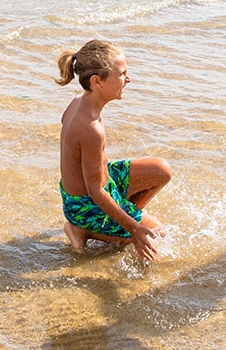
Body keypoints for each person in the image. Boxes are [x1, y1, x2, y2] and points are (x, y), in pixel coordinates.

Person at [55, 39, 173, 263]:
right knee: (159, 239)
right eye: (122, 74)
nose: (128, 79)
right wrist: (135, 228)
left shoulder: (78, 103)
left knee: (162, 170)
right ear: (97, 81)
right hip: (84, 206)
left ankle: (119, 219)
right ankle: (82, 229)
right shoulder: (91, 129)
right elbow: (94, 192)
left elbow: (92, 166)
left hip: (101, 184)